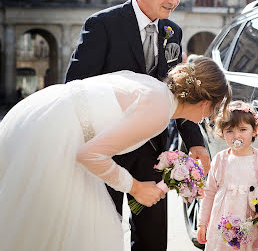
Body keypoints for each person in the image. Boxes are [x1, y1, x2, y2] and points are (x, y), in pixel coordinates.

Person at [0, 57, 231, 251]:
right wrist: (137, 188)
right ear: (204, 102)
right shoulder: (159, 111)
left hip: (43, 115)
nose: (212, 115)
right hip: (56, 139)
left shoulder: (155, 88)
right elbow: (90, 155)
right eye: (216, 107)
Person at [64, 0, 210, 250]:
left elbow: (175, 95)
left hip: (152, 154)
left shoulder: (173, 33)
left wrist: (195, 142)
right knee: (102, 233)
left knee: (153, 238)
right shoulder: (103, 25)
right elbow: (75, 88)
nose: (174, 1)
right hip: (107, 153)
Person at [197, 101, 258, 250]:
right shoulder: (220, 159)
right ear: (222, 133)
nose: (236, 135)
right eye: (229, 131)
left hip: (253, 224)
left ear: (254, 130)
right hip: (224, 225)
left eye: (243, 129)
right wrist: (202, 223)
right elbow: (210, 192)